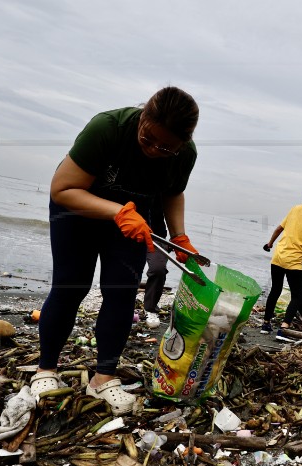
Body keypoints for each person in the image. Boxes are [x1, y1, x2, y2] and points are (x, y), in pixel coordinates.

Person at [32, 87, 201, 415]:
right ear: (142, 117)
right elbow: (63, 188)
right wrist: (116, 211)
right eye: (147, 139)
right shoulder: (108, 128)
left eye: (166, 147)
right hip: (77, 210)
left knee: (122, 294)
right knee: (71, 286)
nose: (154, 150)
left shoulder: (185, 155)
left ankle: (103, 379)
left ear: (183, 142)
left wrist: (179, 236)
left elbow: (172, 193)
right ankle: (45, 371)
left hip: (132, 217)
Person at [260, 183, 302, 334]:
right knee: (297, 296)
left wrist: (269, 244)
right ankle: (284, 328)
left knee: (275, 291)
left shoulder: (295, 209)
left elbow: (279, 228)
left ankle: (266, 324)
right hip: (293, 262)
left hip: (278, 256)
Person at [143, 196, 169, 328]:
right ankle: (120, 305)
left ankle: (150, 308)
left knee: (158, 269)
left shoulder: (164, 182)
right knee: (125, 272)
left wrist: (178, 236)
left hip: (157, 236)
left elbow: (172, 201)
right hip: (129, 230)